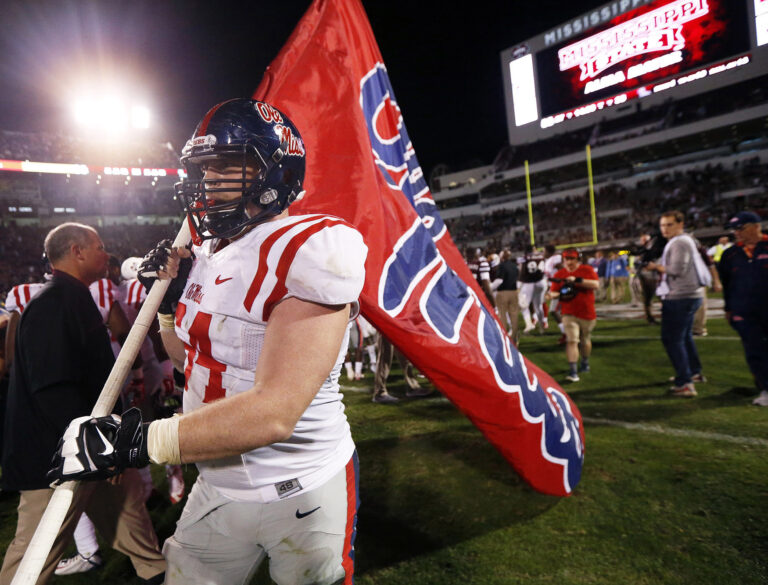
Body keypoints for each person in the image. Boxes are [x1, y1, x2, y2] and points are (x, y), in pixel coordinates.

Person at [49, 99, 366, 585]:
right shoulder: (209, 252)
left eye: (228, 164)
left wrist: (138, 442)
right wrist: (172, 308)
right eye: (205, 167)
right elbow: (192, 362)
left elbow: (276, 411)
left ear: (275, 168)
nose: (210, 179)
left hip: (301, 484)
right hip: (218, 480)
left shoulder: (310, 246)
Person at [0, 222, 166, 585]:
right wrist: (99, 447)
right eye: (99, 246)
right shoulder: (52, 303)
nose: (107, 254)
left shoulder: (72, 297)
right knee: (36, 551)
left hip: (88, 449)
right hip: (58, 456)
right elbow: (52, 389)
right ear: (76, 252)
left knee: (131, 525)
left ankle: (158, 575)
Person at [647, 210, 712, 398]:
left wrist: (654, 267)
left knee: (672, 339)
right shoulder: (683, 241)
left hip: (681, 296)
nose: (665, 229)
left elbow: (676, 270)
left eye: (669, 225)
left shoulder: (680, 242)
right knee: (684, 337)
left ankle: (685, 383)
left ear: (680, 225)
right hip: (689, 294)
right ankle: (694, 371)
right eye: (662, 225)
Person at [717, 211, 768, 406]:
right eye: (734, 230)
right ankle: (765, 388)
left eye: (740, 228)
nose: (736, 233)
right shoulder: (730, 254)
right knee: (754, 350)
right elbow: (727, 284)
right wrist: (729, 309)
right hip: (744, 311)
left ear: (756, 226)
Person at [548, 248, 599, 383]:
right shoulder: (560, 274)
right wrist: (550, 295)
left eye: (572, 258)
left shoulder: (586, 270)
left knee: (585, 341)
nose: (569, 261)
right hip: (568, 312)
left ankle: (585, 361)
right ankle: (573, 371)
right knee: (572, 340)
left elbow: (596, 284)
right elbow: (555, 292)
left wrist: (576, 280)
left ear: (578, 259)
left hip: (587, 312)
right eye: (567, 259)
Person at [372, 334, 430, 404]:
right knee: (385, 358)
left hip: (397, 325)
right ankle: (380, 393)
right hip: (387, 325)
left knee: (405, 355)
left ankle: (412, 386)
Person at [490, 249, 520, 344]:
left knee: (502, 316)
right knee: (513, 315)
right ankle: (515, 338)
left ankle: (504, 339)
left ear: (502, 257)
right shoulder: (514, 266)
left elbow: (499, 281)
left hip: (503, 292)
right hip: (514, 291)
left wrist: (489, 287)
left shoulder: (502, 266)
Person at [517, 245, 547, 334]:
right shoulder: (542, 256)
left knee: (524, 305)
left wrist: (518, 284)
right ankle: (542, 326)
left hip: (528, 283)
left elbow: (522, 272)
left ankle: (529, 325)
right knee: (538, 306)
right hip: (540, 282)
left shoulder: (524, 257)